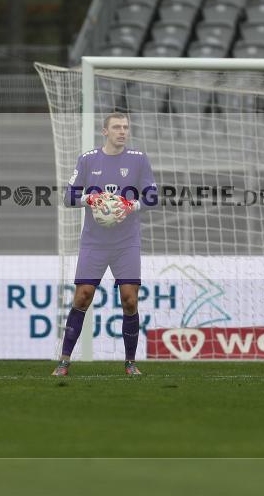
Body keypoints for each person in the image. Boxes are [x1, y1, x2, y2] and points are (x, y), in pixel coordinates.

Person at [52, 112, 157, 376]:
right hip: (94, 242)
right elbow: (67, 197)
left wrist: (131, 205)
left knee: (130, 300)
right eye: (117, 127)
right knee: (82, 297)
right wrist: (88, 198)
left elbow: (153, 197)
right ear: (105, 131)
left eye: (125, 127)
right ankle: (64, 361)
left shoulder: (139, 160)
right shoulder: (88, 160)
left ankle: (130, 363)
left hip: (126, 243)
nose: (122, 131)